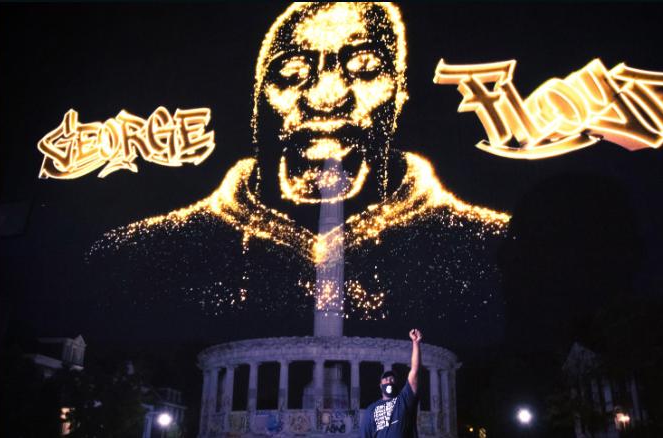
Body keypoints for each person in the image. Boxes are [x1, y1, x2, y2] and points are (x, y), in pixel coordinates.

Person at [89, 3, 510, 346]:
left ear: (399, 97)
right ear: (258, 105)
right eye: (292, 72)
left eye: (364, 66)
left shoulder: (486, 242)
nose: (326, 95)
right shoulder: (141, 253)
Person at [362, 329, 422, 438]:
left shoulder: (403, 400)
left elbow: (414, 371)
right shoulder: (371, 410)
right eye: (385, 379)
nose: (389, 381)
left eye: (392, 379)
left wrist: (416, 343)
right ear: (380, 385)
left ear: (396, 384)